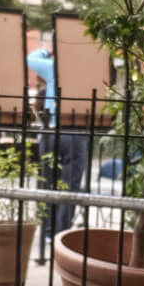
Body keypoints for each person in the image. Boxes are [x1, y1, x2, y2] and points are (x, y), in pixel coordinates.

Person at [26, 33, 90, 241]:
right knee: (70, 185)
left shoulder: (54, 67)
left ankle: (47, 231)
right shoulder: (87, 69)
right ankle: (61, 231)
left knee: (47, 181)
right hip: (76, 130)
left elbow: (31, 58)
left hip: (51, 129)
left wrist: (47, 51)